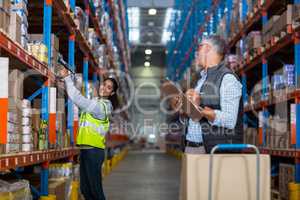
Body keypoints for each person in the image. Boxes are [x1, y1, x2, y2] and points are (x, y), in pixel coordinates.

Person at [172, 35, 243, 154]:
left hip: (211, 150)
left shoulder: (227, 79)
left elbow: (230, 120)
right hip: (190, 147)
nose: (196, 53)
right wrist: (184, 108)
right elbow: (194, 117)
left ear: (207, 48)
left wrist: (199, 108)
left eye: (198, 48)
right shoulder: (200, 81)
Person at [59, 68, 119, 200]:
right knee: (86, 190)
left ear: (112, 92)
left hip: (94, 151)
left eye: (109, 88)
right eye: (104, 85)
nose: (104, 88)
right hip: (86, 150)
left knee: (95, 190)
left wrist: (68, 79)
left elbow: (78, 99)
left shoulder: (103, 107)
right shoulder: (95, 102)